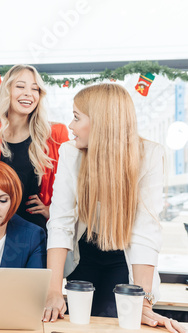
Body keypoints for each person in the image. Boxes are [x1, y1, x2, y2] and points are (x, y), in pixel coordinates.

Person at [43, 84, 184, 333]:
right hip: (84, 253)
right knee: (78, 323)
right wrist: (53, 291)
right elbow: (61, 222)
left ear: (101, 123)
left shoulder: (149, 155)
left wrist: (143, 301)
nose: (70, 126)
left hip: (123, 255)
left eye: (76, 117)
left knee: (121, 322)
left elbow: (144, 232)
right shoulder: (70, 153)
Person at [0, 64, 69, 231]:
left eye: (35, 88)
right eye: (20, 86)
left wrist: (51, 210)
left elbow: (70, 184)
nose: (28, 93)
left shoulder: (55, 134)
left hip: (36, 229)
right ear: (7, 90)